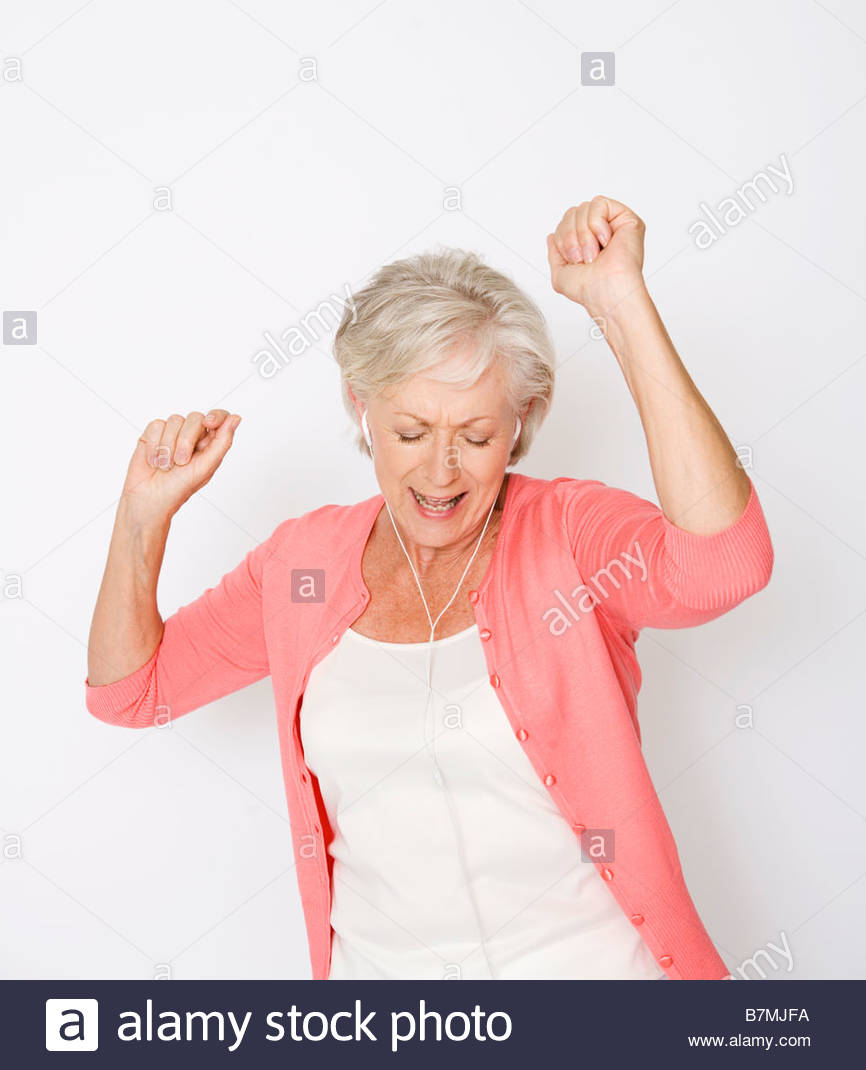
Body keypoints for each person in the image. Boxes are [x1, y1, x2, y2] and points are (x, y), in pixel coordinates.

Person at [85, 196, 773, 980]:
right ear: (360, 407)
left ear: (521, 422)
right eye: (411, 432)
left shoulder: (567, 534)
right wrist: (142, 520)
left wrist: (621, 304)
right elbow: (130, 692)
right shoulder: (302, 565)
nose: (441, 471)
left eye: (477, 437)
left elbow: (728, 564)